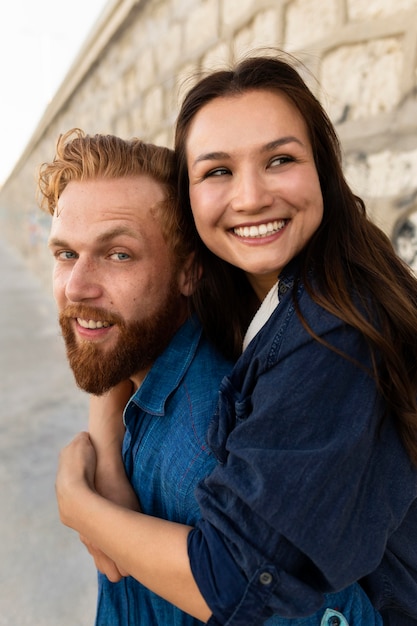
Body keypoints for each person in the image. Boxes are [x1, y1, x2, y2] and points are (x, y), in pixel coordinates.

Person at [53, 54, 417, 625]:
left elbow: (243, 582)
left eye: (279, 159)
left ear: (321, 166)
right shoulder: (241, 276)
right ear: (192, 195)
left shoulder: (334, 335)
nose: (249, 197)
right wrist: (108, 458)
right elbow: (121, 321)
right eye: (218, 170)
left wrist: (82, 506)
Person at [38, 128, 234, 625]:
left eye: (118, 254)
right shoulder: (140, 363)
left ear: (190, 272)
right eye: (66, 254)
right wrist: (107, 459)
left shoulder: (206, 451)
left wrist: (78, 503)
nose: (77, 287)